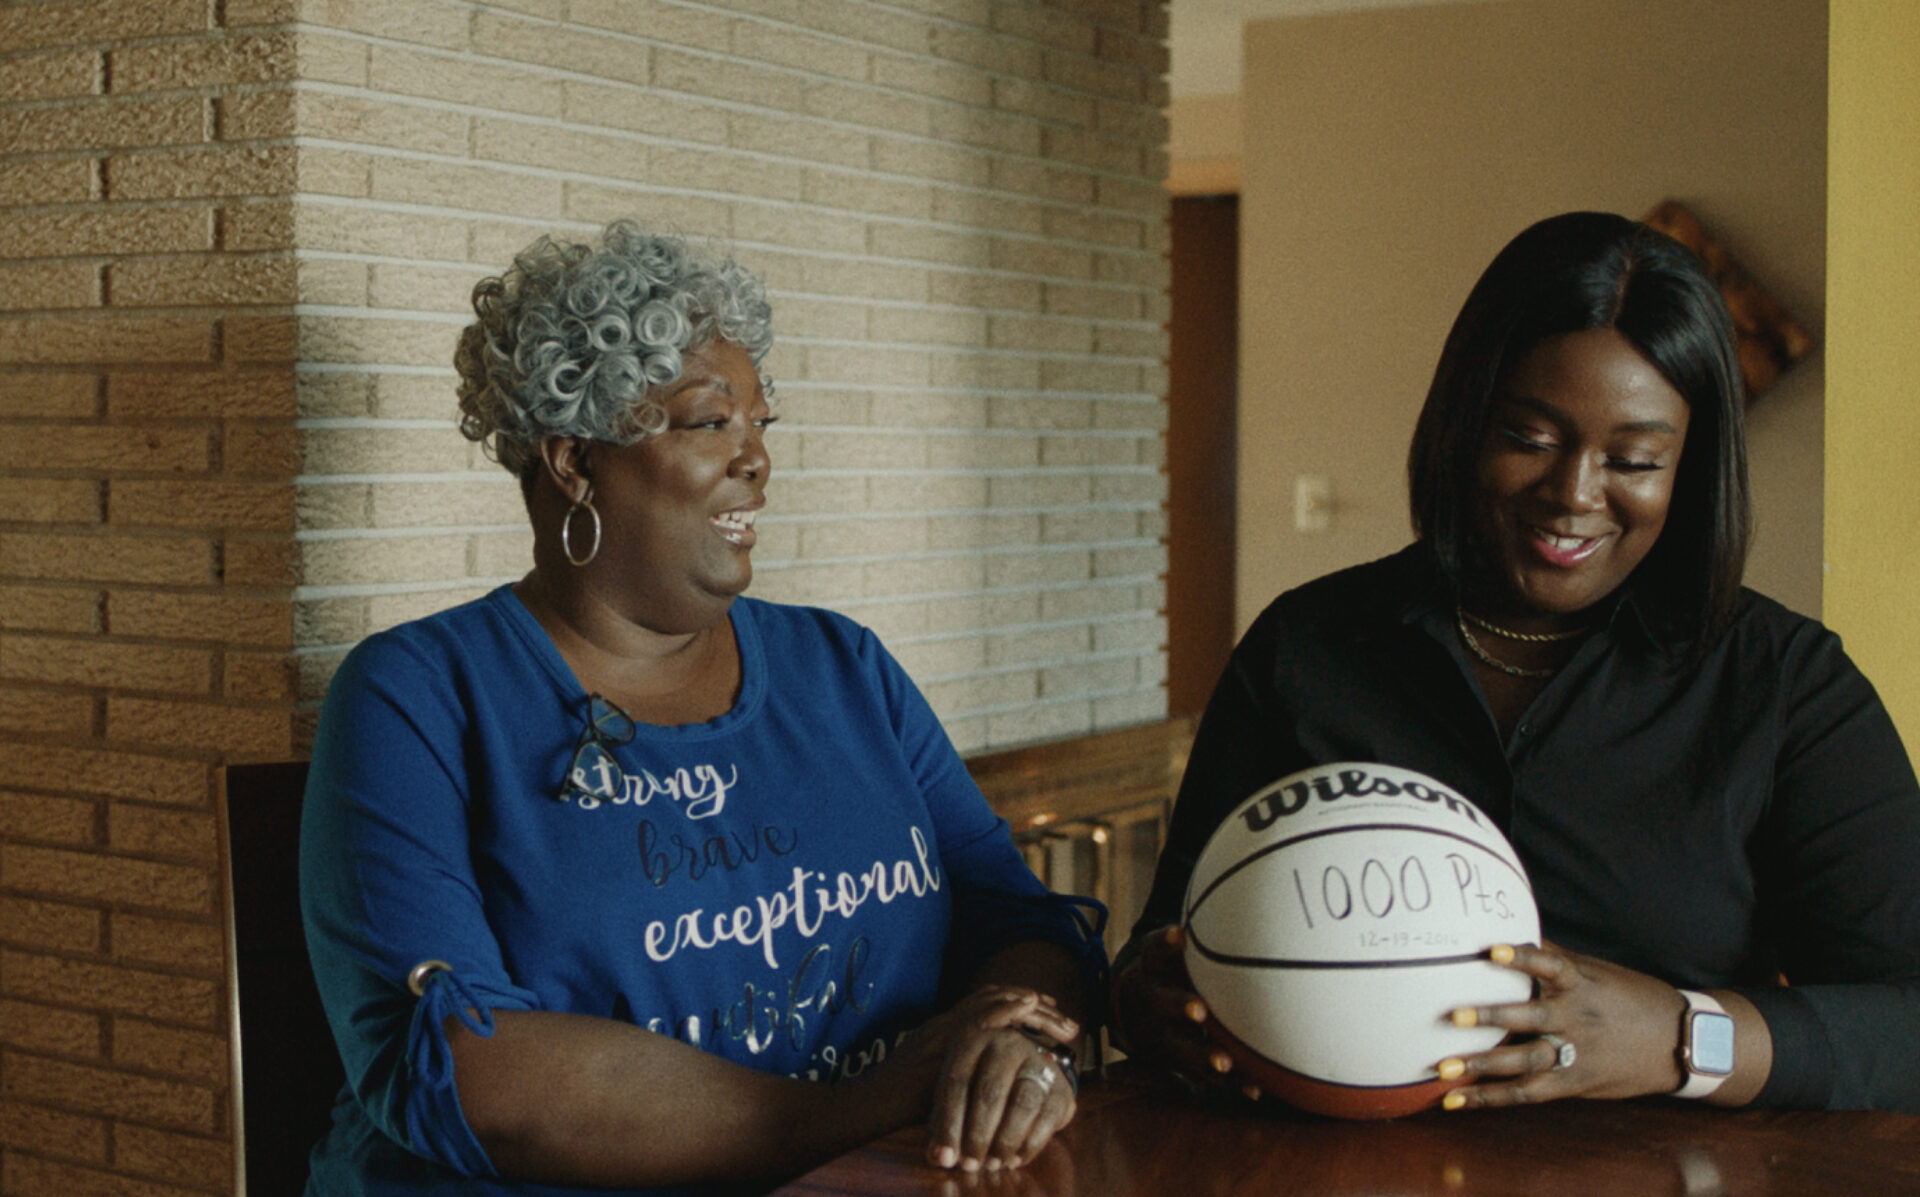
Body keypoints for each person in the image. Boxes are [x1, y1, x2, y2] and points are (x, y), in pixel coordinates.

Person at [299, 220, 1104, 1195]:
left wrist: (1009, 1053)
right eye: (708, 422)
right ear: (572, 462)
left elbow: (1019, 923)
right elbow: (473, 1072)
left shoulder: (843, 668)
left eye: (763, 423)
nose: (756, 459)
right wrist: (862, 1106)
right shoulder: (417, 696)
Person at [1112, 211, 1920, 1114]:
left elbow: (1906, 1022)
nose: (1573, 493)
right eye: (1530, 438)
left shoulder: (1786, 686)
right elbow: (1160, 949)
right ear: (1463, 422)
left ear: (1688, 470)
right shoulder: (1307, 647)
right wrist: (1158, 1001)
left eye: (1634, 457)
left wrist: (1685, 1037)